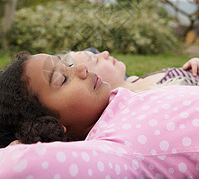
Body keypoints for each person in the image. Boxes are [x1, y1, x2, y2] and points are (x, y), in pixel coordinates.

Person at [1, 53, 199, 178]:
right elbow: (17, 166)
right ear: (48, 125)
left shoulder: (119, 103)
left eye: (68, 65)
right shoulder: (113, 149)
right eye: (62, 79)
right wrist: (20, 147)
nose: (81, 69)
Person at [61, 50, 199, 91]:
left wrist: (193, 64)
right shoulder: (142, 97)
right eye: (96, 60)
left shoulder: (133, 80)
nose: (105, 53)